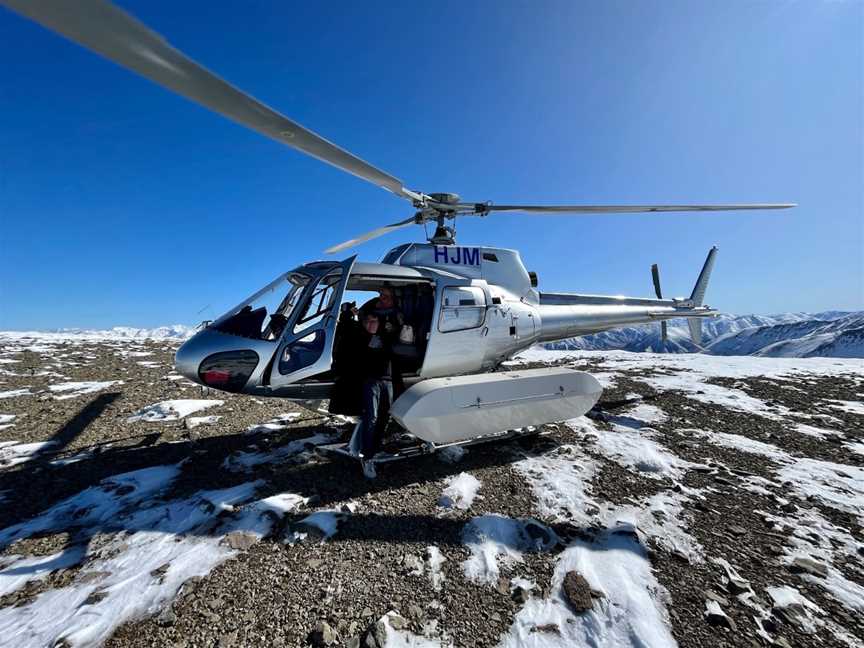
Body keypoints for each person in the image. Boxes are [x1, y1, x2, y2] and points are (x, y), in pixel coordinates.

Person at [329, 307, 396, 478]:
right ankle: (367, 457)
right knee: (371, 418)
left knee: (384, 417)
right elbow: (345, 330)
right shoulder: (359, 338)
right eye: (367, 321)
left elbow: (394, 351)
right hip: (371, 381)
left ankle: (374, 449)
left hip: (387, 380)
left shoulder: (386, 336)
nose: (370, 324)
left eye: (374, 321)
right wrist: (347, 314)